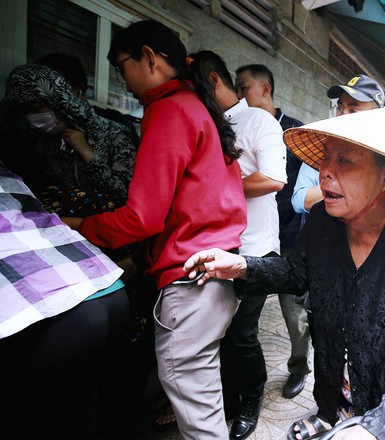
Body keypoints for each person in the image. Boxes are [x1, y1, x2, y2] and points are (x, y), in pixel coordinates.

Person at [183, 107, 385, 440]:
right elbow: (297, 270)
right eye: (325, 159)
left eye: (345, 161)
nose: (325, 173)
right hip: (343, 390)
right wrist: (243, 265)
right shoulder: (323, 221)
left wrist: (379, 428)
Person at [64, 20, 248, 440]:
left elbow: (142, 218)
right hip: (216, 272)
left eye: (122, 65)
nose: (122, 79)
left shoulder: (168, 110)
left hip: (190, 278)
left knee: (199, 417)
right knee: (203, 399)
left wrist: (77, 225)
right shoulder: (197, 106)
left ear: (149, 57)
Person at [189, 51, 287, 440]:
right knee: (216, 330)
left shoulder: (258, 120)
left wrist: (214, 187)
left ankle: (252, 394)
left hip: (253, 249)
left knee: (241, 333)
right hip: (214, 244)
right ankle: (225, 398)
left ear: (212, 81)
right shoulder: (207, 122)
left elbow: (274, 179)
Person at [0, 161, 128, 440]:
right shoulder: (8, 172)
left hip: (55, 310)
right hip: (106, 288)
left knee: (28, 419)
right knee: (76, 406)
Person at [235, 63, 311, 401]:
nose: (239, 96)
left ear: (266, 89)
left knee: (294, 316)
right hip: (252, 240)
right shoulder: (236, 129)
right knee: (243, 320)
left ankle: (298, 369)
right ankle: (242, 382)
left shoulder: (296, 133)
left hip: (290, 239)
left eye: (244, 88)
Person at [3, 63, 136, 201]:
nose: (31, 117)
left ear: (58, 101)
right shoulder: (43, 143)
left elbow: (127, 193)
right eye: (25, 112)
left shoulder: (115, 133)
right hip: (62, 221)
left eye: (36, 109)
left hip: (104, 220)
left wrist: (88, 155)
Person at [292, 74, 385, 216]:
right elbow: (300, 200)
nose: (342, 115)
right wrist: (343, 184)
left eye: (353, 111)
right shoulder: (324, 145)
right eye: (340, 108)